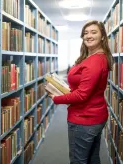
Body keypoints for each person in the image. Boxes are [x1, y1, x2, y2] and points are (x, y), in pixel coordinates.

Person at [47, 20, 113, 164]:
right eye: (85, 33)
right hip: (93, 116)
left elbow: (82, 95)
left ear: (102, 36)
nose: (88, 36)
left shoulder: (95, 61)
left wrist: (56, 98)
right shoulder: (93, 58)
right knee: (92, 158)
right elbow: (85, 87)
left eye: (93, 32)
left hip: (84, 118)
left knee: (79, 160)